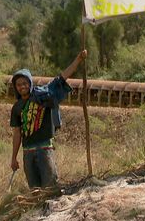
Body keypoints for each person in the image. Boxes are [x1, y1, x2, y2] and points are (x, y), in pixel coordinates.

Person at [10, 50, 87, 188]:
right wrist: (13, 158)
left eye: (25, 83)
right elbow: (17, 133)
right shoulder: (16, 108)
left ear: (30, 83)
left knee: (50, 187)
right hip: (28, 152)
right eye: (19, 84)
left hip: (44, 148)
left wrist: (78, 59)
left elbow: (62, 78)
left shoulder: (43, 95)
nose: (22, 86)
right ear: (15, 88)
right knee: (34, 189)